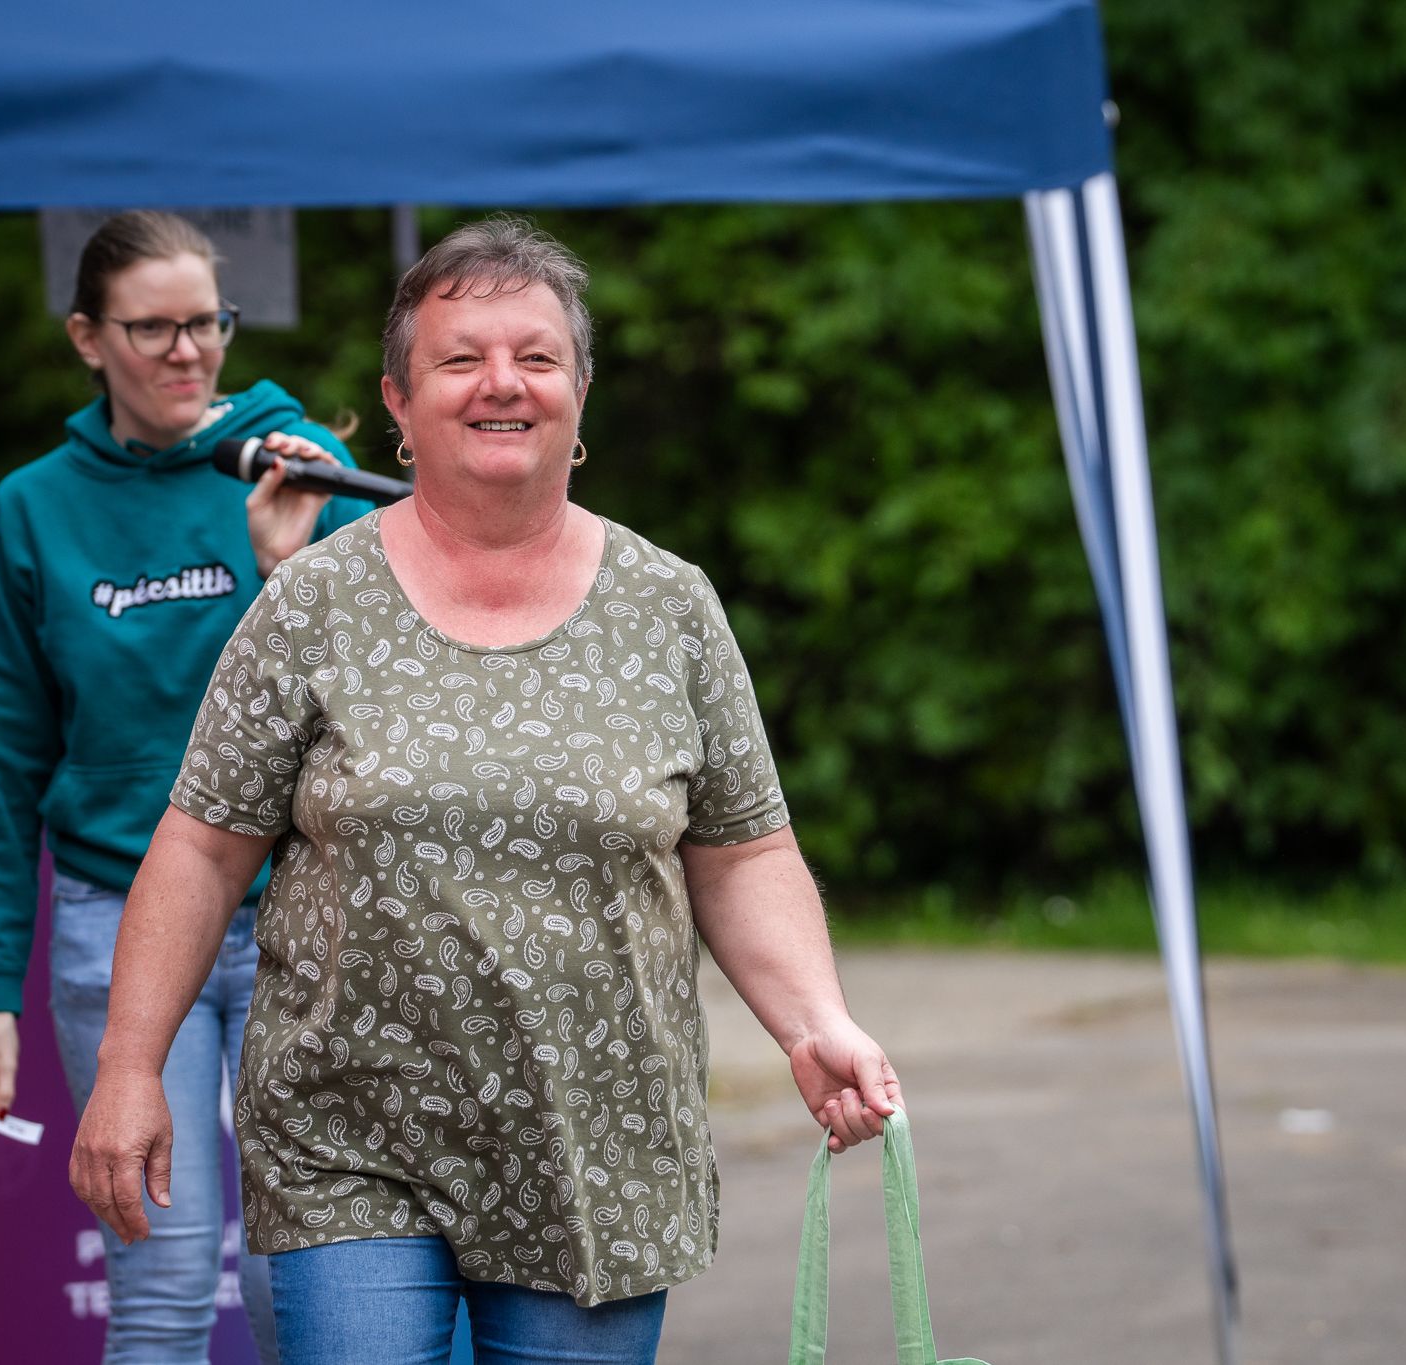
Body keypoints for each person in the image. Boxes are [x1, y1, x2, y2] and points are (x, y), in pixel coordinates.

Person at [67, 217, 902, 1365]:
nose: (501, 382)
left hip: (598, 1144)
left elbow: (742, 851)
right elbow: (203, 848)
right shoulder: (311, 603)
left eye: (536, 356)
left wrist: (816, 1023)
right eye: (460, 358)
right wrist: (128, 1069)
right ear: (399, 403)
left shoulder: (669, 607)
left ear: (579, 392)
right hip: (348, 1141)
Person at [0, 209, 376, 1364]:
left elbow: (389, 705)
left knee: (303, 1285)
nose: (188, 351)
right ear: (88, 338)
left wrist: (288, 565)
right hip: (115, 916)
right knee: (164, 1285)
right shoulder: (33, 510)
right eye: (153, 329)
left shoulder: (298, 469)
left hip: (299, 916)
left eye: (207, 322)